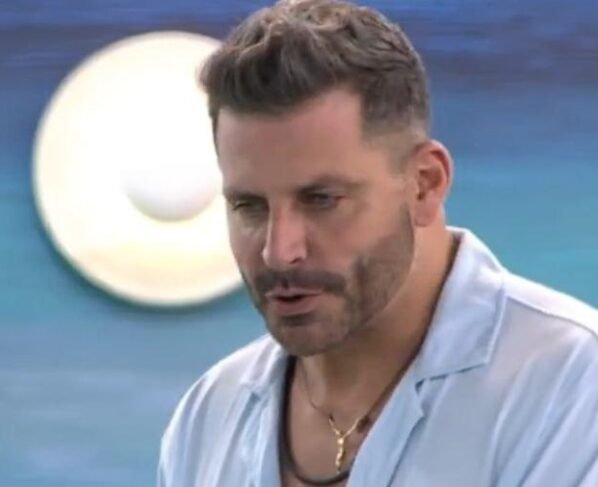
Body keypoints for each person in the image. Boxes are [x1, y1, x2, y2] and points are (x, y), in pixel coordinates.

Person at [158, 1, 598, 485]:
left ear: (425, 184)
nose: (279, 252)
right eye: (249, 206)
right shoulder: (208, 417)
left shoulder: (570, 384)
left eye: (322, 200)